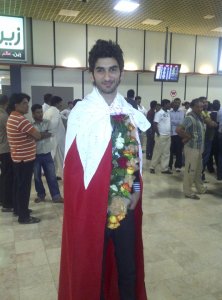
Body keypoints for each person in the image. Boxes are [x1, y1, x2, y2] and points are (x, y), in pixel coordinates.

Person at [58, 39, 150, 300]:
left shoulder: (129, 113)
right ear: (92, 74)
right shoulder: (82, 113)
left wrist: (135, 191)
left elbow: (134, 158)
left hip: (124, 206)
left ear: (121, 71)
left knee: (128, 269)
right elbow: (74, 169)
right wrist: (90, 202)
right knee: (92, 270)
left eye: (112, 69)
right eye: (101, 70)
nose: (107, 76)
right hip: (91, 209)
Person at [6, 93, 49, 224]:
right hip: (24, 158)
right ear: (16, 105)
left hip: (18, 157)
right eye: (24, 103)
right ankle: (24, 217)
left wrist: (31, 136)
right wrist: (35, 136)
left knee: (19, 186)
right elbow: (37, 135)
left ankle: (19, 210)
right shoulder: (20, 119)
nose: (27, 105)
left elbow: (32, 135)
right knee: (24, 188)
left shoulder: (13, 117)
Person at [31, 104, 63, 203]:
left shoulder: (48, 122)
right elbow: (32, 138)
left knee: (52, 176)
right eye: (38, 112)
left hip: (47, 154)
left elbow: (51, 133)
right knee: (37, 177)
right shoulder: (30, 125)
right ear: (33, 114)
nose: (40, 114)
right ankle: (41, 195)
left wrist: (39, 135)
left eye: (41, 112)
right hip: (35, 154)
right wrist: (44, 134)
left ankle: (56, 196)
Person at [176, 98, 207, 200]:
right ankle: (188, 192)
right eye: (197, 107)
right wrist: (188, 136)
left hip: (199, 148)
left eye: (201, 106)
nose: (200, 108)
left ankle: (200, 188)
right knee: (190, 170)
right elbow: (179, 129)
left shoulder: (200, 117)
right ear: (193, 107)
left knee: (198, 170)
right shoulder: (190, 118)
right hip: (191, 149)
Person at [43, 96, 66, 179]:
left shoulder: (48, 111)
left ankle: (53, 175)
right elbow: (54, 124)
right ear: (57, 103)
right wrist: (51, 133)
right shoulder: (55, 111)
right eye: (61, 103)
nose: (62, 104)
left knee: (54, 159)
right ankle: (65, 176)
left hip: (52, 139)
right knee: (61, 158)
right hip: (57, 138)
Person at [150, 99, 172, 174]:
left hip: (168, 135)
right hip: (161, 136)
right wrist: (158, 134)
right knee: (157, 152)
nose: (170, 105)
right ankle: (152, 167)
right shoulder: (159, 113)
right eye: (168, 104)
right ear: (165, 104)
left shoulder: (168, 112)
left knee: (166, 153)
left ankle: (164, 168)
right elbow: (155, 124)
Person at [0, 95, 14, 212]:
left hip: (1, 148)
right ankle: (7, 203)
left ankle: (3, 199)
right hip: (5, 149)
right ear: (7, 102)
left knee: (4, 175)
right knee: (8, 176)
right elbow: (11, 130)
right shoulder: (4, 116)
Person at [169, 98, 184, 172]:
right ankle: (169, 165)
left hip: (179, 134)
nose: (177, 104)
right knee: (170, 151)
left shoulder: (182, 112)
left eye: (178, 103)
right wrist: (176, 122)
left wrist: (173, 121)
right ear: (173, 103)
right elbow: (169, 122)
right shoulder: (169, 112)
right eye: (176, 102)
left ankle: (178, 166)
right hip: (171, 133)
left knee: (179, 150)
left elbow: (181, 122)